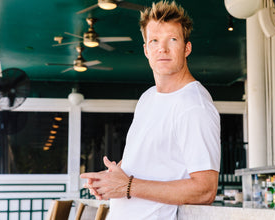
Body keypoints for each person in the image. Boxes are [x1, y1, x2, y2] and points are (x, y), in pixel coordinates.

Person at [80, 1, 221, 219]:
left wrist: (127, 186)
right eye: (154, 41)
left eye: (172, 40)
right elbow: (146, 168)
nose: (162, 49)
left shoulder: (194, 105)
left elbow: (205, 190)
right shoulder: (148, 98)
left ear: (187, 48)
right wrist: (111, 181)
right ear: (146, 50)